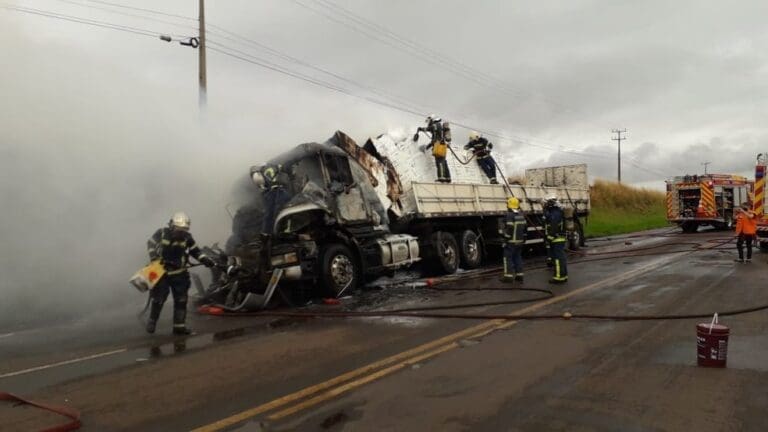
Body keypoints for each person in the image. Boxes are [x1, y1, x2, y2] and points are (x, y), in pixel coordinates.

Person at [146, 212, 215, 335]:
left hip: (179, 274)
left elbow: (196, 252)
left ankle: (179, 327)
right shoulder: (161, 233)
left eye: (184, 230)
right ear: (172, 226)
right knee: (159, 298)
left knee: (181, 300)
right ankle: (152, 321)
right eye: (179, 229)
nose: (181, 233)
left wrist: (205, 260)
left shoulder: (187, 238)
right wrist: (153, 257)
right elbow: (150, 243)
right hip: (161, 273)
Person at [414, 114, 452, 183]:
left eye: (429, 121)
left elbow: (431, 132)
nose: (429, 123)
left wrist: (421, 129)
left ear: (432, 119)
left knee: (439, 162)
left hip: (438, 146)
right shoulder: (439, 125)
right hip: (443, 146)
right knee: (444, 161)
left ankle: (441, 178)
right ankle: (448, 178)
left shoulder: (435, 125)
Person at [260, 163, 291, 235]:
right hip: (279, 190)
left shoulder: (265, 171)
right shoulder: (275, 166)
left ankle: (269, 233)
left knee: (272, 213)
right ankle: (284, 231)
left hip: (276, 191)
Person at [543, 195, 568, 284]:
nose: (545, 205)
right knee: (561, 258)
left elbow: (553, 227)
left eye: (546, 203)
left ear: (550, 203)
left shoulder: (555, 213)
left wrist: (549, 238)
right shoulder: (556, 212)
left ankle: (558, 278)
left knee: (557, 259)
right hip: (559, 238)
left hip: (556, 239)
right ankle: (563, 276)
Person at [501, 197, 527, 283]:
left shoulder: (509, 215)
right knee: (518, 257)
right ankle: (519, 275)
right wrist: (524, 239)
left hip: (511, 242)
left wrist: (506, 239)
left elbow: (510, 228)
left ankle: (508, 277)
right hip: (519, 242)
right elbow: (525, 229)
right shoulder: (521, 215)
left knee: (507, 258)